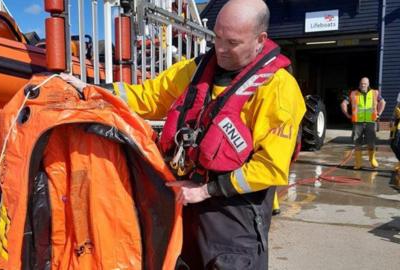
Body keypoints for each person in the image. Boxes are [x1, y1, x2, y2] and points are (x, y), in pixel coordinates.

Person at [62, 0, 305, 268]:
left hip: (234, 216)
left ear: (260, 40)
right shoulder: (196, 70)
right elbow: (149, 97)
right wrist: (90, 90)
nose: (220, 49)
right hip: (187, 206)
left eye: (232, 42)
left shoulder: (279, 89)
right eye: (217, 38)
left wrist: (207, 190)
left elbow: (271, 167)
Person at [341, 77, 386, 170]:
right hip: (358, 123)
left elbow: (383, 102)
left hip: (371, 122)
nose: (363, 85)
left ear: (368, 84)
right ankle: (358, 163)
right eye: (361, 83)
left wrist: (379, 114)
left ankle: (372, 159)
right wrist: (347, 114)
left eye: (365, 83)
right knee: (357, 143)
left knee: (371, 142)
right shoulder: (353, 93)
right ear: (359, 84)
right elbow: (344, 103)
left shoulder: (374, 93)